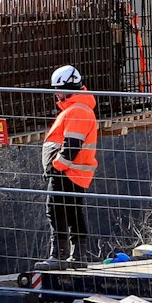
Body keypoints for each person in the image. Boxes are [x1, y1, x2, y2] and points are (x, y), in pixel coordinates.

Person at [39, 64, 99, 269]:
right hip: (74, 172)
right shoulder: (79, 108)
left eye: (58, 89)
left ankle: (59, 256)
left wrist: (56, 167)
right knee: (73, 212)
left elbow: (71, 146)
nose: (56, 94)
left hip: (67, 172)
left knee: (56, 211)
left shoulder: (76, 110)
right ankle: (78, 256)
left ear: (68, 88)